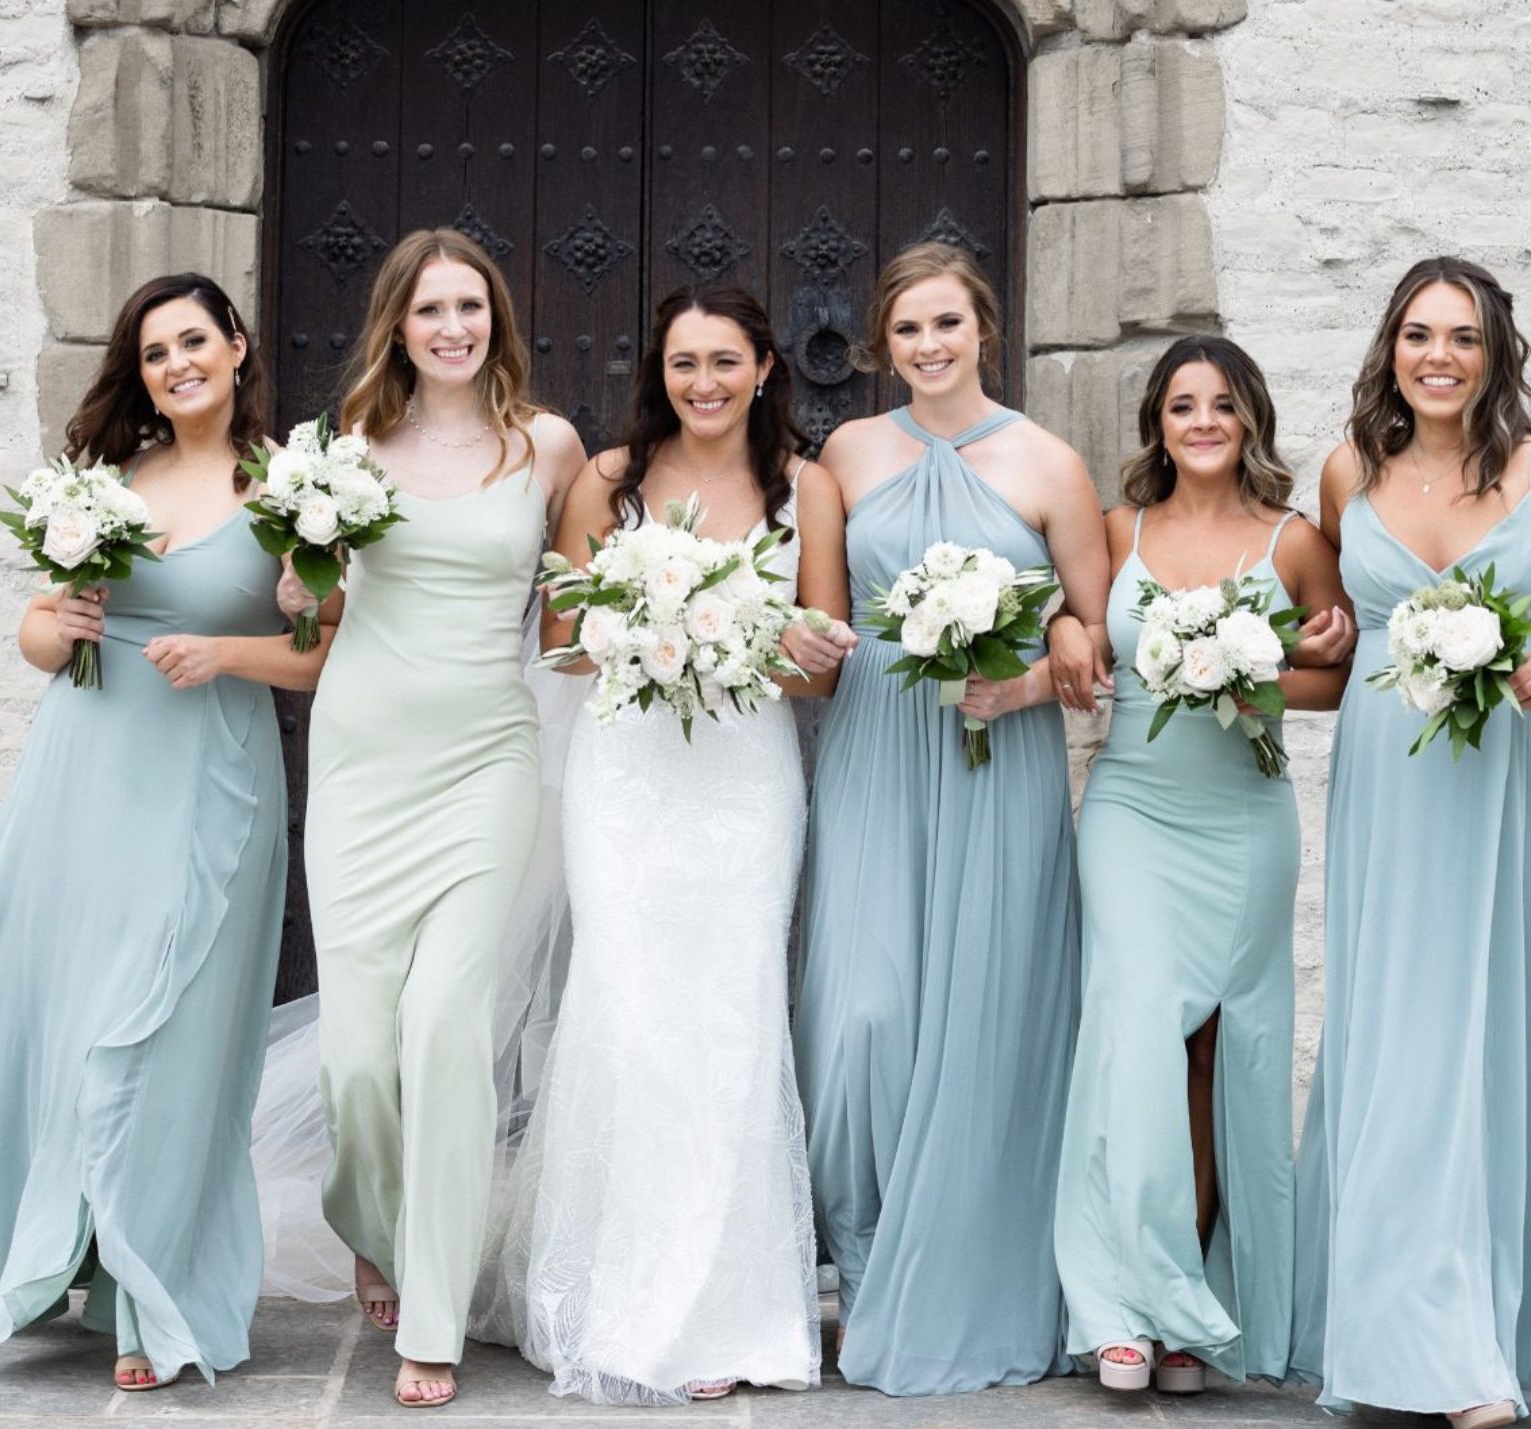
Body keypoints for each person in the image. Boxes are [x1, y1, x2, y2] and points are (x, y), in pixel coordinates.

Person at [0, 273, 322, 1390]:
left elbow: (327, 653)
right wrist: (55, 620)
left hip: (211, 777)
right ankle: (60, 1256)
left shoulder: (292, 490)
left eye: (195, 340)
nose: (177, 364)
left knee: (156, 1022)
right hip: (84, 768)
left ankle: (154, 1285)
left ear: (237, 344)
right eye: (155, 353)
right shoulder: (108, 481)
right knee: (66, 1015)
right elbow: (40, 637)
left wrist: (234, 652)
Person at [1291, 256, 1531, 1429]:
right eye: (1414, 335)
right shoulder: (1347, 473)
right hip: (1392, 797)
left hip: (1518, 784)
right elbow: (1340, 638)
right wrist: (1322, 634)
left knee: (1497, 1042)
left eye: (1460, 337)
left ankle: (1486, 1344)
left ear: (1495, 352)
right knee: (1401, 1051)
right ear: (1388, 349)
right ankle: (1411, 1341)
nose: (1435, 357)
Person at [477, 285, 848, 1405]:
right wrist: (648, 631)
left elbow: (821, 657)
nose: (703, 383)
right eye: (684, 363)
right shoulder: (609, 478)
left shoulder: (807, 488)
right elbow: (558, 639)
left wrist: (729, 638)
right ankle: (624, 1302)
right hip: (628, 780)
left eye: (724, 361)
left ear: (766, 367)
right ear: (661, 369)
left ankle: (733, 1310)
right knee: (631, 1019)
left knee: (732, 1020)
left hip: (744, 781)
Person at [791, 242, 1108, 1396]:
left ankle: (976, 1265)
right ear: (884, 343)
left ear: (985, 330)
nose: (929, 347)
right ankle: (869, 1265)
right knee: (862, 1016)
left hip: (995, 756)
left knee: (983, 1014)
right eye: (909, 331)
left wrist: (1034, 673)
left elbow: (1091, 629)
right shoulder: (846, 452)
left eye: (948, 325)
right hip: (877, 744)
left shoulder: (1049, 463)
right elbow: (823, 616)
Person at [297, 228, 585, 1409]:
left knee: (447, 1026)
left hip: (486, 760)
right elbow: (311, 613)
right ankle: (368, 1215)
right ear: (398, 326)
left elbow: (569, 612)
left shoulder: (548, 446)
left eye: (471, 306)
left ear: (496, 318)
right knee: (357, 1051)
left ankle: (432, 1313)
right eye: (431, 311)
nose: (453, 327)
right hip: (363, 760)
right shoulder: (340, 449)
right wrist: (299, 575)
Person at [1054, 335, 1353, 1397]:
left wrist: (1257, 680)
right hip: (1132, 810)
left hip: (1243, 818)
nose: (1201, 421)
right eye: (1181, 405)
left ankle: (1193, 1317)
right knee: (1136, 1033)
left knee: (1217, 1056)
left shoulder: (1294, 541)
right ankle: (1123, 1308)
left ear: (1249, 418)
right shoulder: (1114, 528)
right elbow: (1073, 621)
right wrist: (1057, 628)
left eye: (1220, 404)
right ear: (1156, 422)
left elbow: (1339, 673)